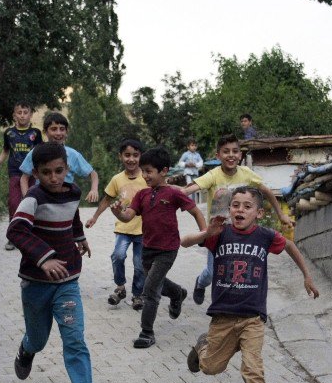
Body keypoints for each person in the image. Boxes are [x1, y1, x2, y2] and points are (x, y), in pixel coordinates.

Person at [181, 187, 319, 383]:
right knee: (211, 368)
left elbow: (289, 244)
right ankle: (202, 347)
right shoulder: (219, 235)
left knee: (253, 368)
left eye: (246, 206)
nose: (240, 210)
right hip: (222, 318)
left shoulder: (265, 236)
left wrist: (307, 275)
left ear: (259, 212)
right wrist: (206, 233)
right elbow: (184, 242)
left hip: (252, 318)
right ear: (229, 209)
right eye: (235, 205)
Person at [6, 142, 105, 383]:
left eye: (59, 171)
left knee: (74, 339)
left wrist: (79, 237)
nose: (54, 178)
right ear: (35, 173)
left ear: (68, 169)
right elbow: (16, 230)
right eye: (46, 172)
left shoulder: (73, 192)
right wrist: (44, 258)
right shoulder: (33, 198)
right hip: (36, 283)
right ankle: (26, 350)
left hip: (68, 281)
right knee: (38, 338)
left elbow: (71, 215)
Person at [181, 134, 294, 306]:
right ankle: (200, 282)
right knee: (212, 273)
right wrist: (169, 192)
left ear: (240, 155)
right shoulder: (213, 175)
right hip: (218, 233)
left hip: (244, 233)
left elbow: (268, 192)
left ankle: (233, 303)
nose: (231, 155)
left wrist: (281, 215)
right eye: (226, 152)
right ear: (218, 155)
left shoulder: (247, 174)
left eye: (235, 151)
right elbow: (190, 189)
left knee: (236, 270)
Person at [111, 147, 207, 349]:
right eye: (143, 171)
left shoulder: (174, 193)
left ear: (164, 171)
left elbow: (196, 212)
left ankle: (146, 332)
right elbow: (128, 216)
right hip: (147, 248)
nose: (144, 176)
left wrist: (204, 235)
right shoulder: (142, 194)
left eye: (148, 171)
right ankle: (177, 293)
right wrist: (118, 213)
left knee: (150, 290)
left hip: (167, 250)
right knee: (156, 283)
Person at [85, 138, 148, 311]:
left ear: (140, 156)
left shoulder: (147, 178)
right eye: (127, 155)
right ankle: (120, 287)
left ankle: (137, 294)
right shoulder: (117, 179)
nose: (131, 159)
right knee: (118, 255)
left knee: (139, 264)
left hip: (143, 231)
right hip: (123, 228)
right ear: (120, 156)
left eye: (135, 155)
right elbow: (107, 200)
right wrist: (95, 217)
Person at [0, 102, 42, 250]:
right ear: (14, 115)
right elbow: (6, 150)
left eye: (25, 112)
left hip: (32, 173)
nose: (22, 115)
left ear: (31, 114)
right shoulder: (8, 133)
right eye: (19, 112)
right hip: (14, 172)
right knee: (13, 203)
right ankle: (13, 236)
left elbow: (40, 152)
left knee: (32, 202)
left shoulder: (36, 133)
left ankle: (32, 234)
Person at [18, 112, 99, 203]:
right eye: (54, 129)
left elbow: (93, 174)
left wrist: (94, 190)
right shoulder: (36, 152)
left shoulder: (73, 154)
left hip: (66, 200)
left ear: (66, 131)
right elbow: (24, 178)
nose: (58, 133)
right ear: (45, 132)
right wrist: (27, 198)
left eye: (62, 129)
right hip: (42, 200)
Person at [176, 138, 205, 203]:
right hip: (188, 173)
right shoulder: (185, 154)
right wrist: (186, 164)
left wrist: (195, 164)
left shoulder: (197, 155)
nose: (194, 147)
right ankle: (189, 202)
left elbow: (201, 162)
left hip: (195, 173)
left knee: (194, 187)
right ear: (188, 147)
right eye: (192, 145)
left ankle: (194, 202)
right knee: (189, 186)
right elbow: (180, 162)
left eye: (195, 145)